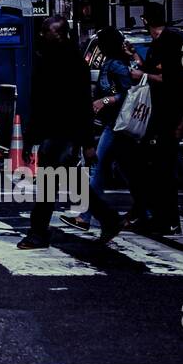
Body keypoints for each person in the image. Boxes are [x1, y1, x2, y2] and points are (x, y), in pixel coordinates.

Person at [19, 15, 119, 249]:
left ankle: (38, 233)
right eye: (43, 30)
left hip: (63, 135)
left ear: (61, 34)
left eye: (48, 31)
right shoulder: (45, 59)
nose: (42, 34)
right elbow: (38, 104)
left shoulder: (73, 64)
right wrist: (30, 138)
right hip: (53, 134)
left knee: (48, 184)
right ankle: (109, 219)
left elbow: (83, 104)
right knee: (68, 181)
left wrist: (86, 142)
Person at [61, 26, 134, 233]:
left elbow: (130, 94)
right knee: (128, 171)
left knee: (98, 167)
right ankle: (144, 212)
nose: (99, 47)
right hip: (113, 124)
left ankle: (85, 217)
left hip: (118, 125)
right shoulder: (110, 62)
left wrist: (107, 99)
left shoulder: (117, 65)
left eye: (101, 43)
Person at [127, 3, 183, 236]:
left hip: (166, 114)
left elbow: (172, 79)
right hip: (163, 113)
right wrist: (135, 57)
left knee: (163, 169)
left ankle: (168, 219)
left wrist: (142, 74)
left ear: (146, 21)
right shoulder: (175, 40)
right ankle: (162, 217)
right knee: (156, 167)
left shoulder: (169, 42)